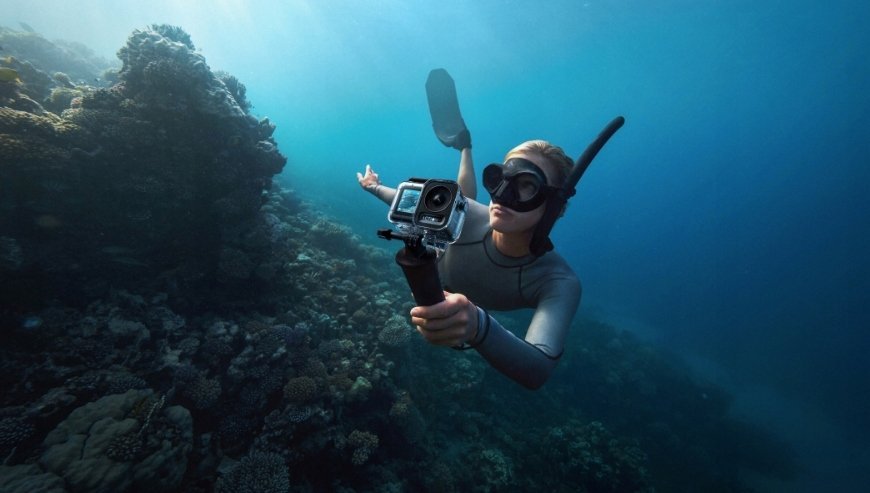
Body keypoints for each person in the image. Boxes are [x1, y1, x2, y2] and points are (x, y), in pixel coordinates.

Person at [357, 137, 581, 390]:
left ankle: (466, 148)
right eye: (500, 178)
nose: (502, 195)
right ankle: (465, 146)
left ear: (555, 208)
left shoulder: (557, 280)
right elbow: (404, 200)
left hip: (465, 229)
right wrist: (373, 186)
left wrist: (479, 326)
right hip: (460, 227)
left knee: (463, 206)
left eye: (527, 185)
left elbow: (537, 371)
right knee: (460, 205)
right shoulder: (466, 211)